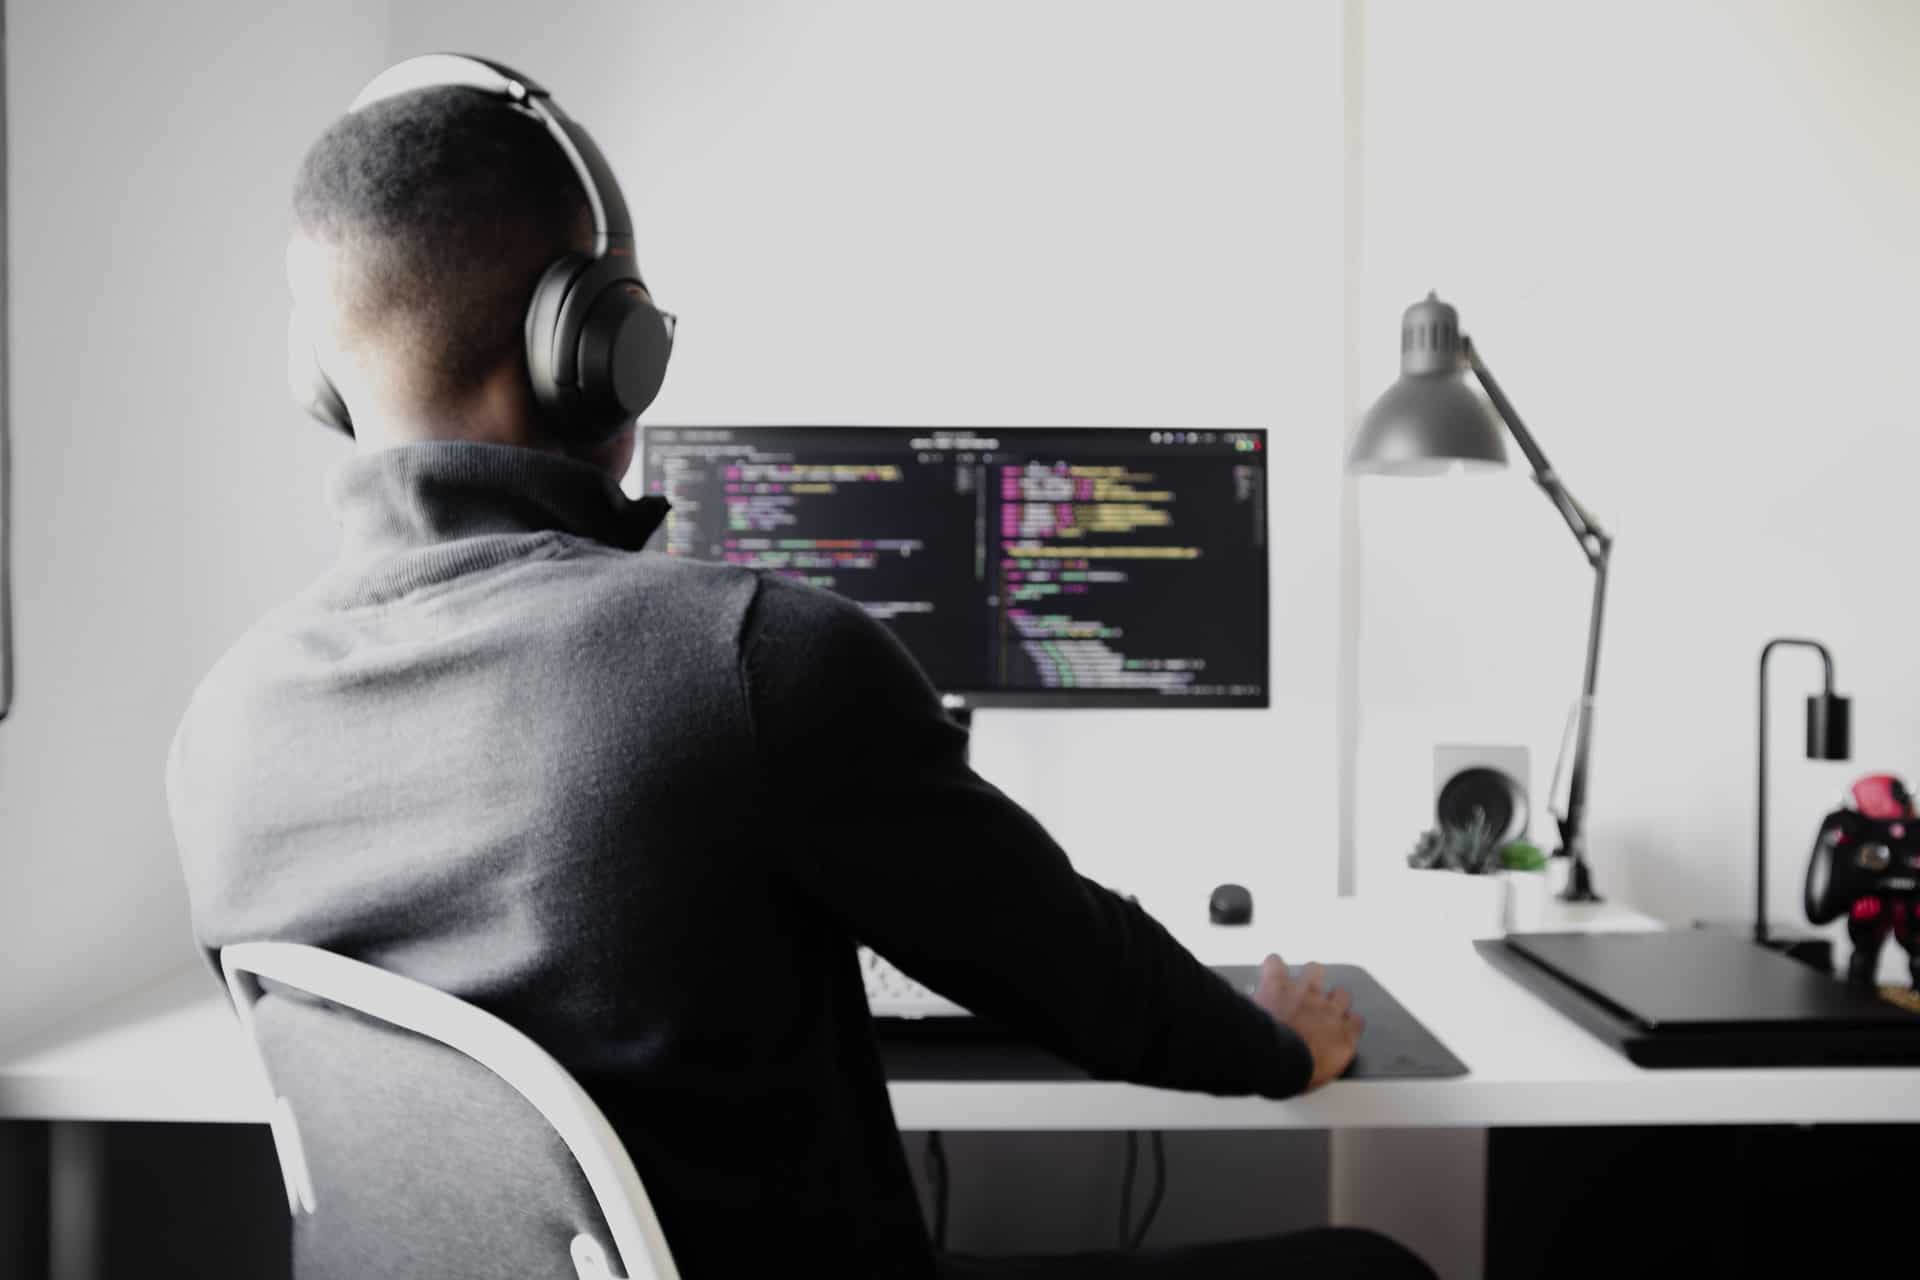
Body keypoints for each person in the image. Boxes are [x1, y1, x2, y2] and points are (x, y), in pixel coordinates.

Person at [167, 70, 1434, 1280]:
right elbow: (1084, 978)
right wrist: (1281, 1043)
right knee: (1372, 1262)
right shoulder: (750, 655)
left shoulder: (221, 727)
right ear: (595, 346)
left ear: (326, 376)